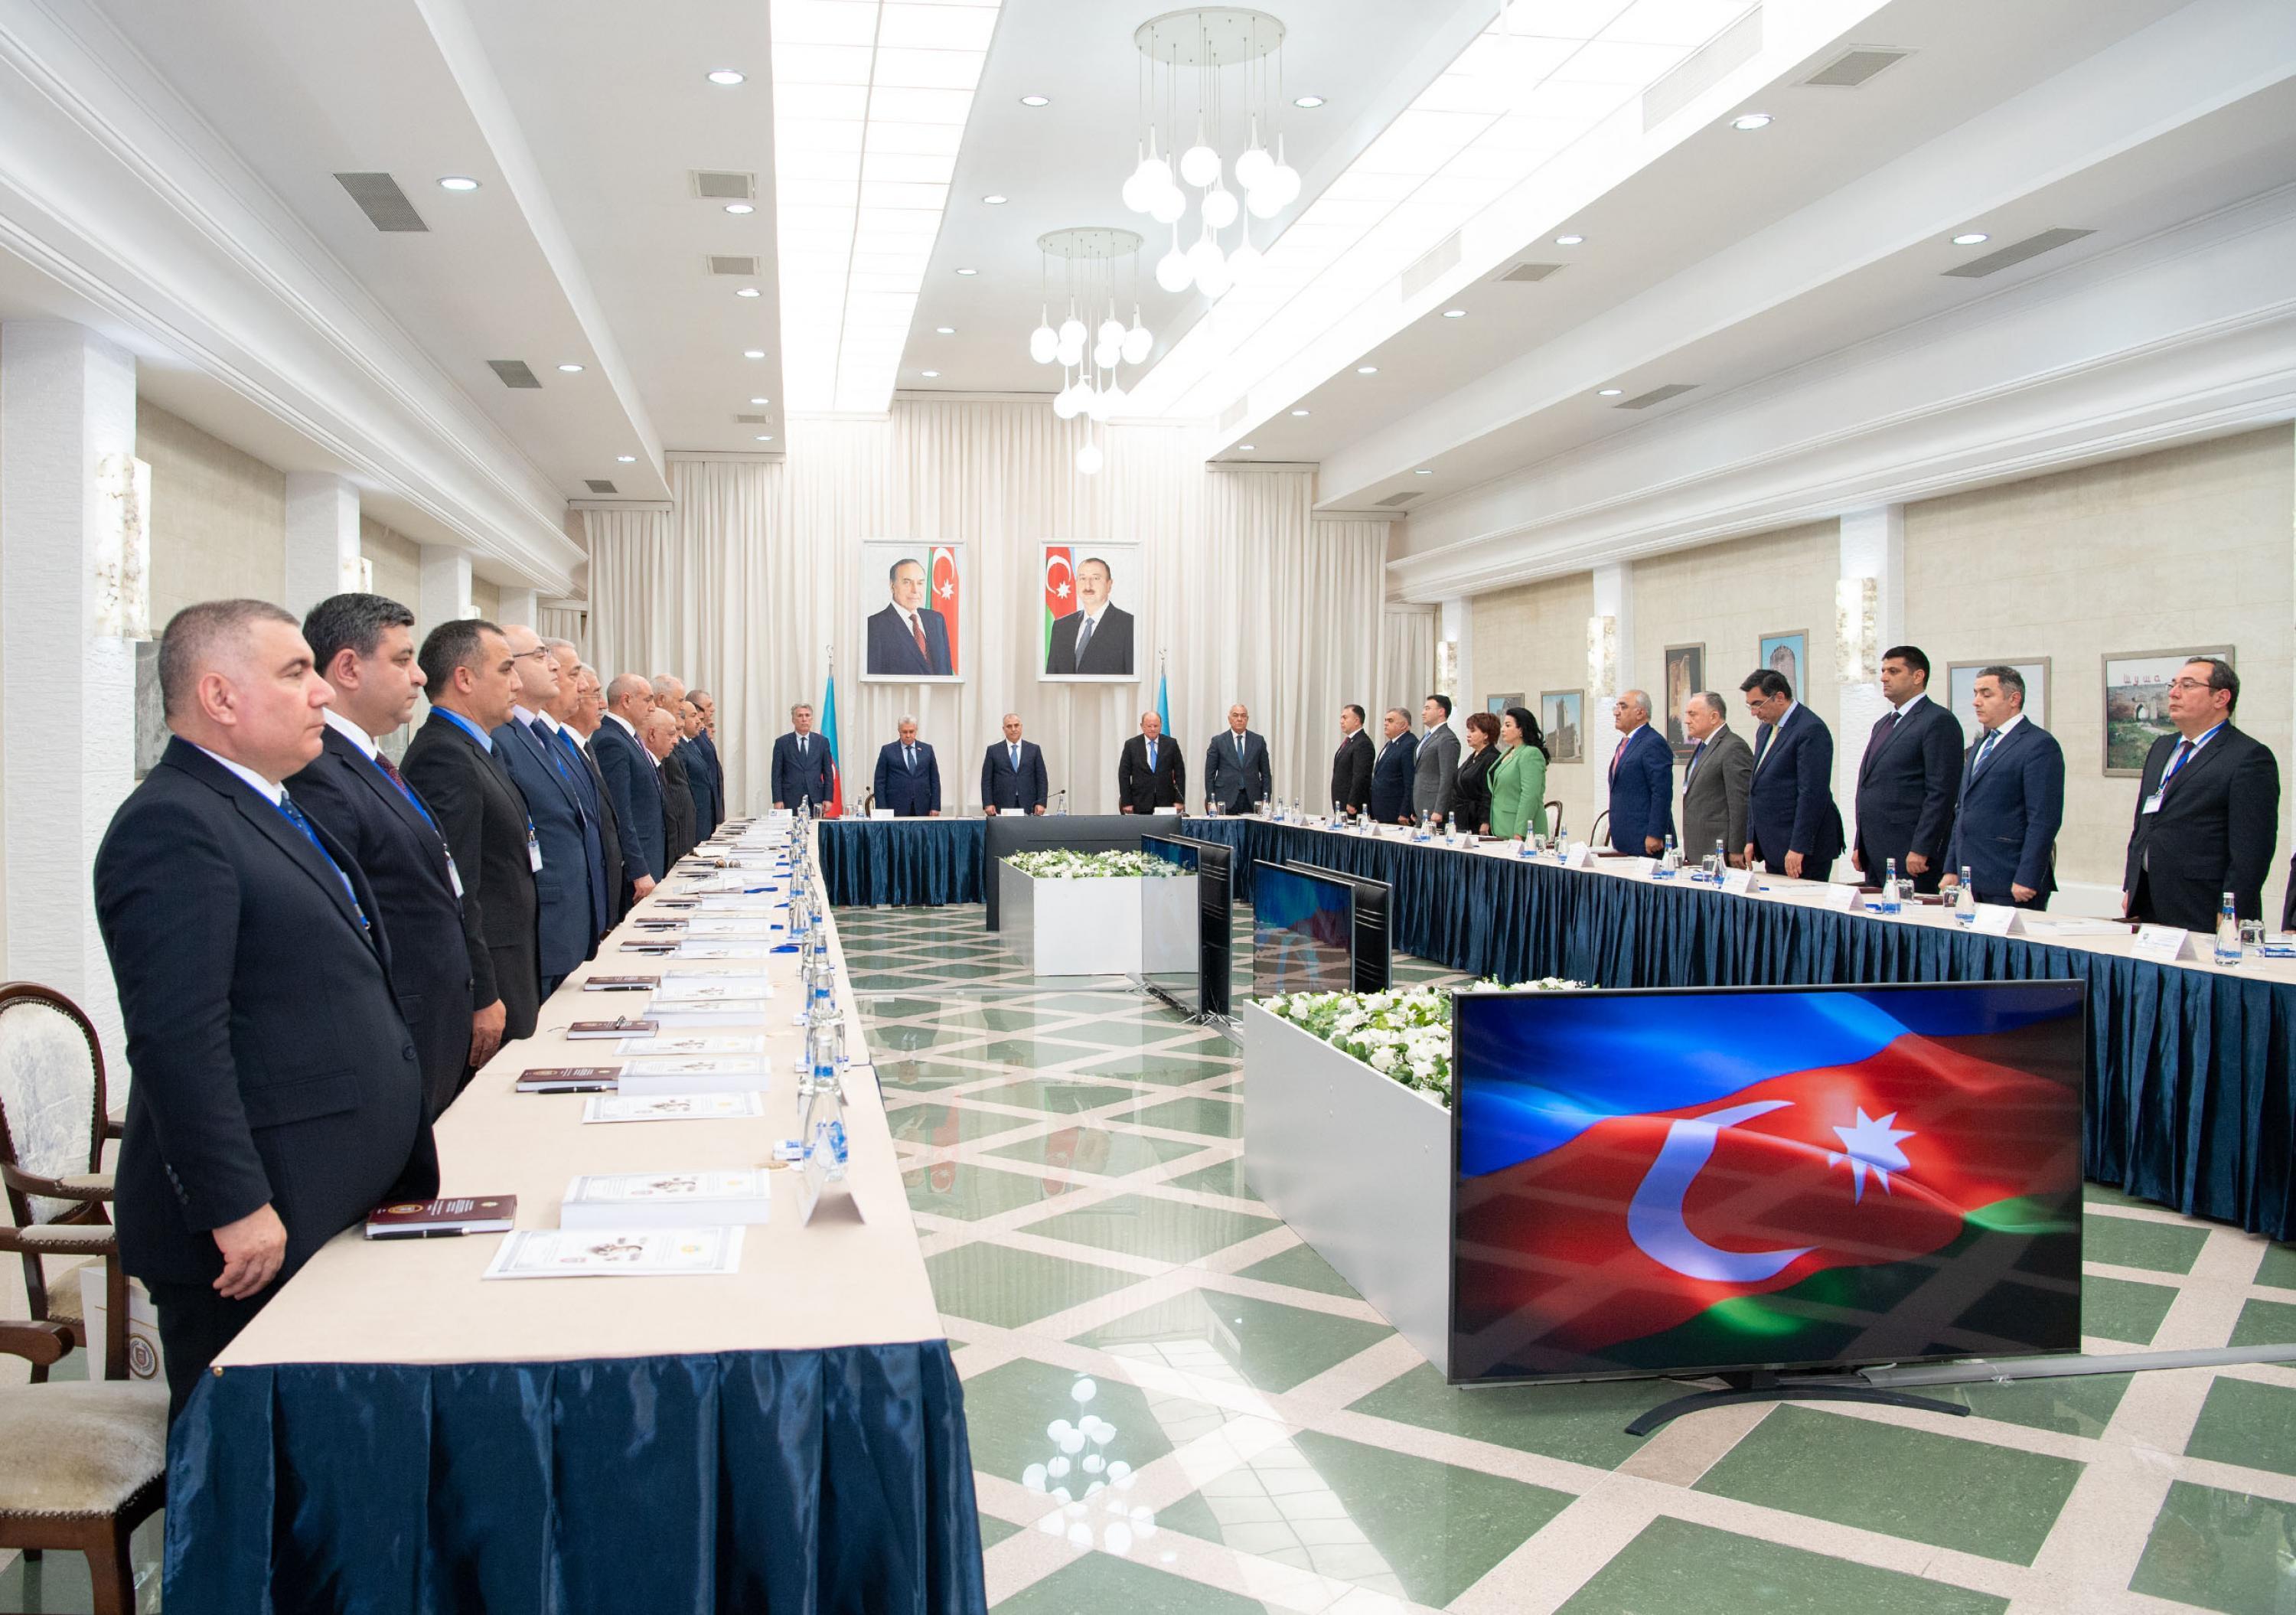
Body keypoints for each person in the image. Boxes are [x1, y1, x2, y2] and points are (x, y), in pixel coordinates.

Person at [96, 599, 435, 1417]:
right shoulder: (174, 822)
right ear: (220, 696)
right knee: (251, 1457)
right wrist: (236, 1206)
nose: (320, 691)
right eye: (295, 673)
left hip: (320, 1185)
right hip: (254, 1226)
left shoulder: (265, 802)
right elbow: (178, 1039)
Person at [288, 593, 494, 1117]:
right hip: (396, 1028)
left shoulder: (374, 762)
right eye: (402, 660)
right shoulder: (320, 773)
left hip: (432, 1018)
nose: (420, 676)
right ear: (349, 669)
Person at [403, 619, 544, 1048]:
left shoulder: (479, 749)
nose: (517, 683)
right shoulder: (444, 756)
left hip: (511, 959)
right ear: (464, 679)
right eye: (506, 670)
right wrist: (482, 992)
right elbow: (457, 885)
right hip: (489, 975)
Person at [2121, 656, 2279, 931]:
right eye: (2173, 684)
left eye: (2188, 685)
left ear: (2221, 698)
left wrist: (2233, 910)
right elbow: (2143, 823)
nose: (2173, 693)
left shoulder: (2248, 757)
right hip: (2148, 898)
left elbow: (2253, 848)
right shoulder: (2162, 747)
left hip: (2203, 903)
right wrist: (2131, 884)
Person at [491, 627, 608, 996]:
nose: (553, 666)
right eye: (542, 656)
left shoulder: (542, 735)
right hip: (543, 922)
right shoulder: (501, 737)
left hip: (569, 918)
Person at [1941, 666, 2063, 909]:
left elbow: (2044, 818)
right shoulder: (1981, 745)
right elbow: (1963, 809)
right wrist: (1951, 867)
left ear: (2014, 699)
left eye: (1986, 694)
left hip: (2011, 879)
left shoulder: (2038, 745)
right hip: (1971, 878)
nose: (1976, 702)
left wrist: (2027, 876)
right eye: (1976, 694)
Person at [1851, 644, 1963, 892]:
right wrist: (1860, 843)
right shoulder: (1883, 724)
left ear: (1918, 676)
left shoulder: (1937, 721)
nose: (1884, 678)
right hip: (1876, 851)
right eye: (1883, 671)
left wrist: (1922, 847)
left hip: (1910, 853)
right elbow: (1868, 785)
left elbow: (1941, 793)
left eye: (1893, 671)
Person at [540, 656, 625, 933]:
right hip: (564, 903)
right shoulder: (554, 743)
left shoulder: (577, 745)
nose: (603, 705)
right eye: (594, 694)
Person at [1740, 669, 1844, 881]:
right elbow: (1756, 786)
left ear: (1779, 697)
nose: (1754, 712)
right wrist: (1751, 838)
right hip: (1773, 844)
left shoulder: (1810, 729)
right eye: (1750, 706)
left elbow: (1812, 793)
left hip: (1803, 849)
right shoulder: (1765, 730)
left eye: (1758, 704)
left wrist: (1799, 847)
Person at [594, 674, 667, 899]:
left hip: (650, 855)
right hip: (636, 868)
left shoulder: (629, 737)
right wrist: (638, 869)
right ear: (626, 700)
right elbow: (620, 812)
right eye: (648, 700)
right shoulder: (611, 741)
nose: (653, 707)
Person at [1678, 690, 1753, 867]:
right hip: (1699, 847)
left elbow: (1740, 802)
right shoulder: (1704, 746)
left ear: (1714, 717)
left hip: (1720, 848)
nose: (1687, 720)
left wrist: (1736, 848)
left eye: (1693, 714)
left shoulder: (1733, 747)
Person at [1604, 689, 1674, 854]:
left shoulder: (1653, 742)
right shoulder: (1626, 743)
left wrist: (1655, 833)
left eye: (1623, 707)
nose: (1616, 712)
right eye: (1617, 707)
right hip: (1624, 837)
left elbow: (1661, 792)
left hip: (1646, 840)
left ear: (1640, 713)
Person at [1044, 554, 1134, 677]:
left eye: (1096, 578)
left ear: (1109, 584)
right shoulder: (1061, 627)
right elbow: (1051, 680)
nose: (1088, 586)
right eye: (1082, 578)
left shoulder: (1129, 626)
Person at [866, 556, 955, 677]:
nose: (915, 590)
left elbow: (947, 672)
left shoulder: (936, 620)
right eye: (907, 582)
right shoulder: (874, 626)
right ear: (892, 586)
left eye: (920, 583)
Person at [1487, 706, 1550, 840]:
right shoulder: (1509, 752)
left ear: (1521, 730)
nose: (1502, 729)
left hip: (1520, 830)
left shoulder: (1530, 754)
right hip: (1502, 825)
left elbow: (1530, 795)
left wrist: (1520, 832)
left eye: (1508, 725)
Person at [647, 708, 700, 862]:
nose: (677, 740)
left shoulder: (660, 761)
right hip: (658, 851)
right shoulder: (654, 761)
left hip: (677, 841)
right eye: (672, 734)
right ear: (652, 734)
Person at [1205, 703, 1272, 814]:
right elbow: (1209, 775)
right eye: (1235, 715)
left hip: (1252, 800)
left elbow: (1266, 774)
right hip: (1225, 799)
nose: (1239, 719)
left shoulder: (1258, 741)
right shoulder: (1218, 742)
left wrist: (1266, 800)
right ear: (1229, 719)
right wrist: (1210, 800)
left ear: (1247, 719)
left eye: (1243, 716)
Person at [772, 702, 836, 812]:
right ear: (793, 720)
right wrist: (777, 799)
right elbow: (776, 775)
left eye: (807, 715)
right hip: (789, 798)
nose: (804, 719)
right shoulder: (782, 743)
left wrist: (828, 798)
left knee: (815, 824)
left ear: (812, 719)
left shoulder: (822, 742)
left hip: (816, 798)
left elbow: (828, 773)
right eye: (800, 716)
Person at [872, 716, 941, 817]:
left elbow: (935, 780)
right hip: (895, 807)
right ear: (899, 731)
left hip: (923, 807)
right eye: (904, 732)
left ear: (916, 730)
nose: (908, 735)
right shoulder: (887, 751)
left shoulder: (927, 750)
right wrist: (882, 809)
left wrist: (935, 806)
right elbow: (879, 782)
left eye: (911, 731)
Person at [1118, 710, 1185, 813]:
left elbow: (1180, 773)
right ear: (1142, 726)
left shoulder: (1171, 744)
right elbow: (1124, 775)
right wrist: (1127, 802)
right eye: (1149, 726)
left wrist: (1179, 800)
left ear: (1161, 726)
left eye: (1156, 726)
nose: (1153, 729)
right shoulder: (1131, 745)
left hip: (1166, 803)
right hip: (1139, 802)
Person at [981, 713, 1049, 814]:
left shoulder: (1034, 750)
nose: (1013, 729)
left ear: (1021, 727)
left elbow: (1042, 779)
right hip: (1001, 804)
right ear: (1004, 729)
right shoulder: (993, 751)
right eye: (1009, 726)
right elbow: (986, 781)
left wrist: (1041, 803)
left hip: (1030, 804)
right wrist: (988, 803)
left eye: (1016, 725)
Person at [677, 699, 722, 839]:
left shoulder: (691, 745)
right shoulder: (679, 747)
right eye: (693, 716)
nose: (698, 722)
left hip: (704, 821)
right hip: (693, 825)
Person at [1413, 695, 1459, 825]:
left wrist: (1439, 809)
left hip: (1434, 807)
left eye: (1428, 708)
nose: (1423, 713)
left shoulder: (1447, 738)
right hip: (1420, 805)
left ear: (1441, 711)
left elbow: (1447, 776)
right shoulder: (1428, 736)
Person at [1454, 711, 1500, 834]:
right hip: (1464, 816)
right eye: (1468, 731)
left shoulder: (1492, 758)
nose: (1468, 735)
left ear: (1486, 735)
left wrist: (1485, 821)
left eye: (1473, 731)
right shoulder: (1473, 756)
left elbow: (1488, 793)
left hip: (1478, 818)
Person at [1370, 708, 1419, 824]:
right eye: (1385, 720)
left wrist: (1405, 811)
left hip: (1396, 812)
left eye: (1390, 721)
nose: (1386, 724)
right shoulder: (1391, 743)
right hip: (1382, 810)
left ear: (1404, 725)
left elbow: (1410, 781)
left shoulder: (1409, 744)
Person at [1329, 705, 1374, 817]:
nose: (1341, 721)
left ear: (1356, 721)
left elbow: (1361, 775)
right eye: (1341, 718)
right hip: (1341, 802)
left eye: (1345, 718)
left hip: (1352, 806)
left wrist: (1353, 801)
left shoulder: (1363, 743)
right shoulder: (1350, 741)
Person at [689, 687, 726, 819]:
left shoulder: (703, 734)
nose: (713, 709)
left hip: (714, 805)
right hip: (703, 808)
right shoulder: (694, 736)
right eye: (709, 705)